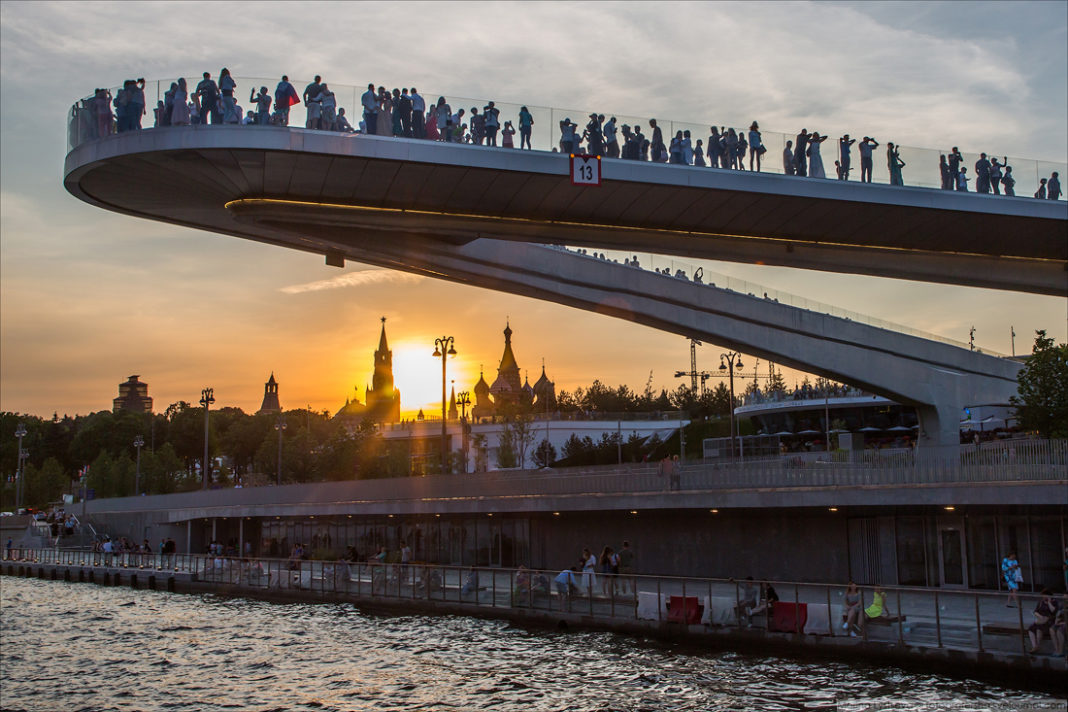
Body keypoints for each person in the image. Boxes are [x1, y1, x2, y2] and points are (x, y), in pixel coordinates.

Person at [1027, 589, 1058, 654]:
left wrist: (1049, 602)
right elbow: (1035, 611)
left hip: (1049, 620)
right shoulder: (1041, 602)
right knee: (1031, 628)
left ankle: (1037, 646)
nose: (1043, 597)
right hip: (1041, 619)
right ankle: (1034, 645)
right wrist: (1039, 616)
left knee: (1039, 628)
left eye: (1044, 596)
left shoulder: (1054, 602)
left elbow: (1053, 611)